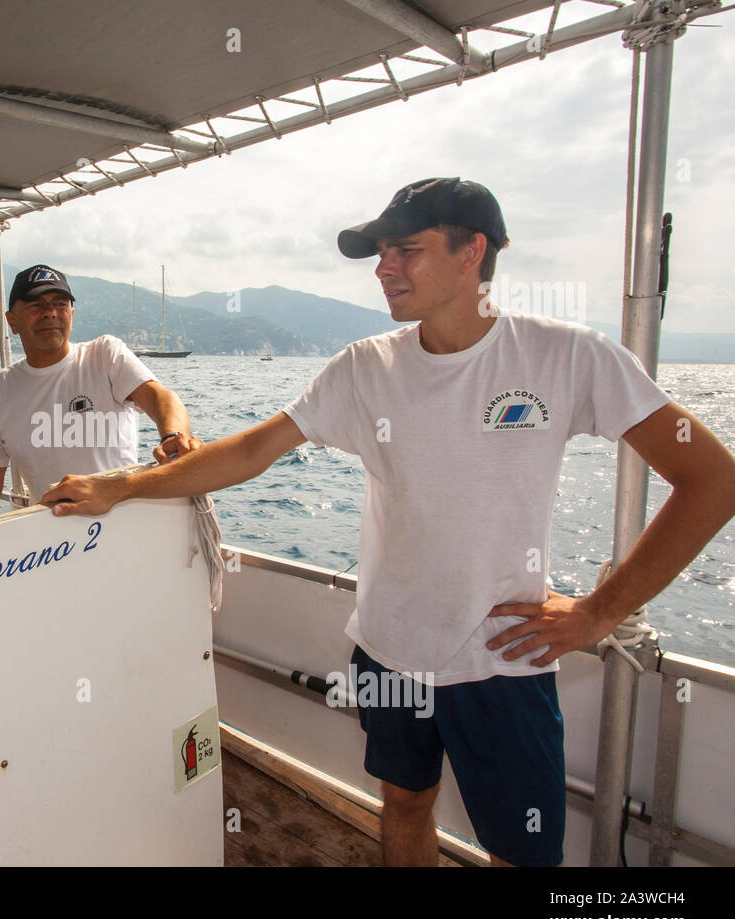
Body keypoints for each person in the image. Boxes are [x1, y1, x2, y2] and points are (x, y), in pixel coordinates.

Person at [40, 178, 735, 867]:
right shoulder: (366, 368)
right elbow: (252, 450)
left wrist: (598, 614)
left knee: (521, 856)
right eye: (380, 252)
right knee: (403, 805)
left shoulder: (566, 357)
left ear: (473, 253)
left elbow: (713, 481)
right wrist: (123, 485)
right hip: (389, 649)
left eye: (406, 249)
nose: (383, 268)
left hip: (503, 660)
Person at [0, 263, 203, 521]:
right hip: (51, 542)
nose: (50, 313)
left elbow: (160, 397)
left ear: (72, 314)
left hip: (125, 523)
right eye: (36, 305)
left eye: (60, 304)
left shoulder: (104, 355)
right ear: (12, 320)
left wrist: (173, 435)